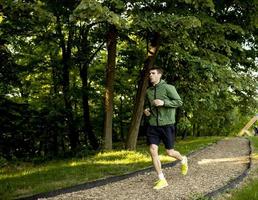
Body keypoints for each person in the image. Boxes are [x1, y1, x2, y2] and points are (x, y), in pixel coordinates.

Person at [144, 66, 188, 190]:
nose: (150, 75)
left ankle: (183, 159)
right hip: (153, 125)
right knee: (153, 149)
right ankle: (162, 179)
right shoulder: (149, 91)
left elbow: (179, 102)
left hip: (167, 124)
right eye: (149, 73)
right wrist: (147, 110)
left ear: (159, 75)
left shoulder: (169, 88)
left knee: (169, 152)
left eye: (153, 73)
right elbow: (151, 107)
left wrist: (164, 103)